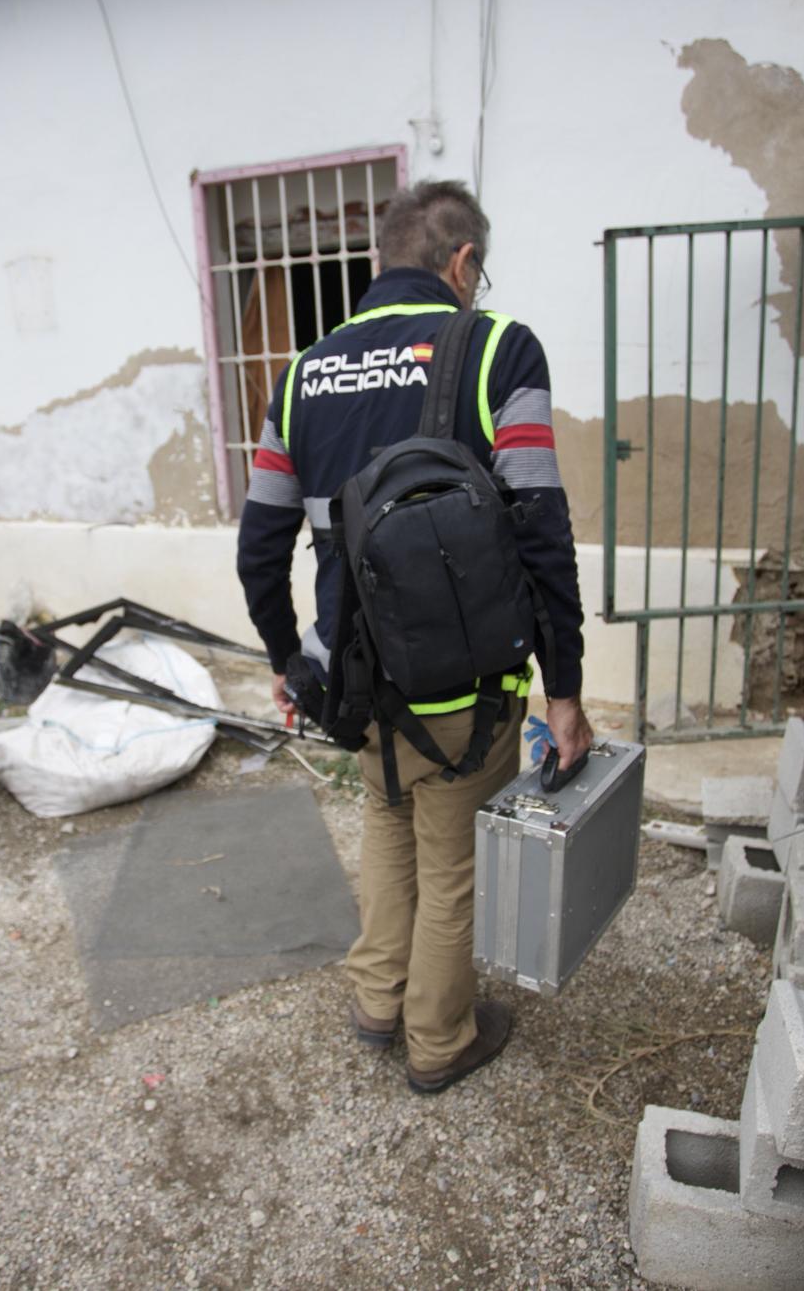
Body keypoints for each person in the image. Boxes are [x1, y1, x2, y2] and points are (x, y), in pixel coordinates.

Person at [236, 180, 593, 1094]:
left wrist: (290, 662)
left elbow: (258, 546)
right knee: (453, 859)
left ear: (380, 262)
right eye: (481, 269)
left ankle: (376, 998)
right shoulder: (497, 351)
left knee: (388, 819)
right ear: (462, 263)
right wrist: (565, 685)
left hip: (351, 680)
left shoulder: (304, 372)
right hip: (463, 684)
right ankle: (440, 1039)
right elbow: (540, 525)